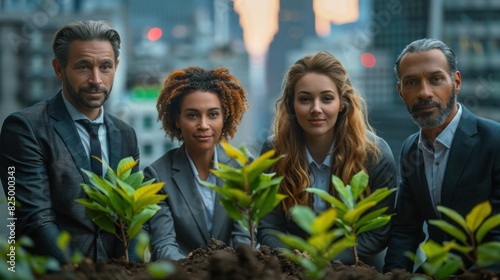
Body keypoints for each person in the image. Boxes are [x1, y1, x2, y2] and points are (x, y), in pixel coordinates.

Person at [0, 20, 140, 264]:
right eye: (83, 67)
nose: (96, 79)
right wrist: (85, 274)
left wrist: (135, 269)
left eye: (105, 67)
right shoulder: (25, 128)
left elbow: (133, 216)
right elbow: (34, 219)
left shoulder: (126, 133)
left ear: (116, 67)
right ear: (58, 69)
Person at [257, 51, 398, 268]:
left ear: (342, 103)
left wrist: (324, 260)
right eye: (305, 99)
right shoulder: (274, 150)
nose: (316, 109)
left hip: (357, 268)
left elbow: (377, 233)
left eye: (327, 98)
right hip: (291, 267)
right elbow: (269, 227)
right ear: (291, 104)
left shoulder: (375, 154)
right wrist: (295, 260)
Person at [383, 38, 500, 273]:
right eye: (412, 82)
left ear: (456, 82)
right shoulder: (410, 149)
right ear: (401, 91)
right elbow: (405, 229)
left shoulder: (494, 140)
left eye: (436, 79)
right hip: (438, 270)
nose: (424, 92)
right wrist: (393, 276)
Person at [144, 66, 252, 261]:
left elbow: (244, 239)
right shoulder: (157, 175)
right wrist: (191, 267)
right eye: (192, 115)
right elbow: (163, 244)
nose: (203, 125)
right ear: (178, 120)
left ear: (224, 118)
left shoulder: (242, 169)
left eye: (212, 115)